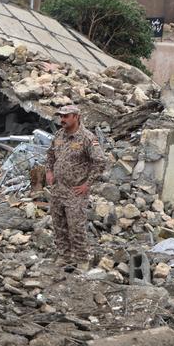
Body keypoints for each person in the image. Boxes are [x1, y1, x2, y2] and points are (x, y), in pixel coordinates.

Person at [45, 104, 105, 270]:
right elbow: (50, 154)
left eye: (66, 116)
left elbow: (99, 162)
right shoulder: (58, 135)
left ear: (76, 117)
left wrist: (87, 184)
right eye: (60, 116)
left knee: (76, 227)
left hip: (75, 192)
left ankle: (82, 259)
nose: (62, 120)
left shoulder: (87, 138)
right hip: (57, 189)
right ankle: (64, 256)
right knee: (58, 225)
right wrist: (49, 171)